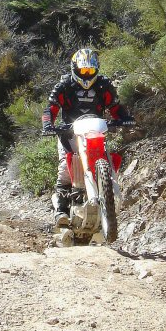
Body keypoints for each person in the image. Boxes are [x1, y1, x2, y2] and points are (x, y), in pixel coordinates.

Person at [41, 48, 133, 226]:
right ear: (74, 68)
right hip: (69, 134)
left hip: (95, 132)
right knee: (65, 171)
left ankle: (106, 195)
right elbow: (50, 108)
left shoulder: (103, 84)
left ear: (96, 69)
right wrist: (48, 125)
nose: (86, 74)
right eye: (83, 70)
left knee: (107, 157)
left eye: (90, 71)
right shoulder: (64, 84)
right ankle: (60, 211)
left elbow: (115, 106)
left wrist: (125, 118)